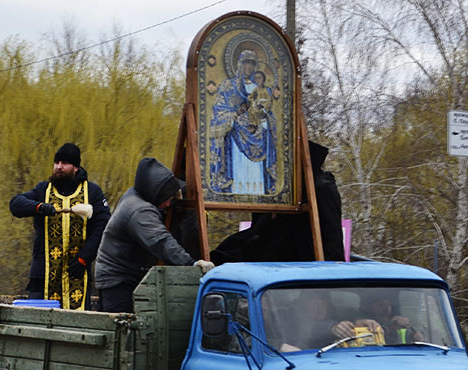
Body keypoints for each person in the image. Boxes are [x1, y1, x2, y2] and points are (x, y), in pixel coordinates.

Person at [93, 157, 212, 313]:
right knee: (122, 329)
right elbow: (160, 242)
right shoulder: (139, 211)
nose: (169, 204)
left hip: (125, 274)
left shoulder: (139, 194)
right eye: (167, 199)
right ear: (155, 193)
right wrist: (191, 264)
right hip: (119, 279)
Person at [9, 142, 111, 309]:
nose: (59, 167)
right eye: (56, 163)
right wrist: (39, 207)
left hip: (76, 272)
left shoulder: (92, 192)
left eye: (64, 163)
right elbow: (16, 204)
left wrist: (84, 258)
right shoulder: (43, 190)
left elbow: (103, 227)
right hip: (42, 275)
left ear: (76, 167)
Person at [209, 141, 344, 264]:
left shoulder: (320, 187)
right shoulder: (277, 188)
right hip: (273, 259)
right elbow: (259, 230)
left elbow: (331, 233)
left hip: (299, 263)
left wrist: (332, 267)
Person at [209, 49, 277, 195]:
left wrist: (263, 117)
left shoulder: (259, 88)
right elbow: (219, 111)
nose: (249, 68)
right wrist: (235, 115)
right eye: (246, 63)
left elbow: (269, 113)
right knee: (238, 170)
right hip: (236, 138)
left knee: (256, 176)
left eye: (252, 64)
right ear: (239, 64)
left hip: (258, 135)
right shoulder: (228, 85)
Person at [277, 290, 383, 352]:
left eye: (323, 304)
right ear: (303, 305)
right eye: (314, 303)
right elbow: (311, 329)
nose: (319, 308)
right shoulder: (289, 322)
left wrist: (359, 324)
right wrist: (333, 328)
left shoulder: (335, 319)